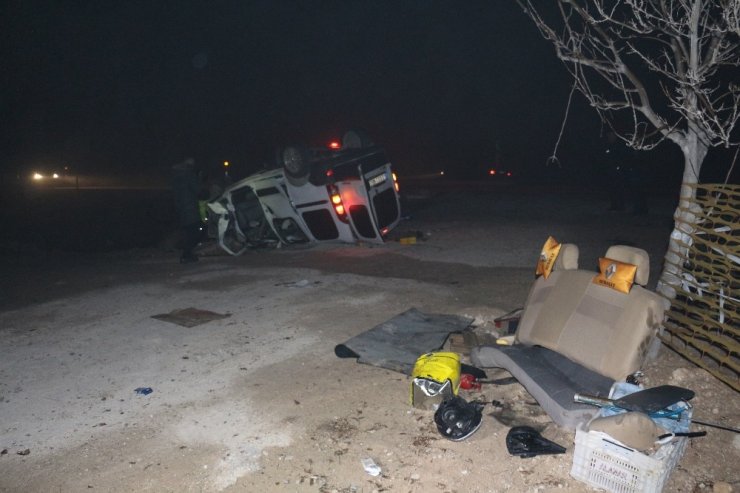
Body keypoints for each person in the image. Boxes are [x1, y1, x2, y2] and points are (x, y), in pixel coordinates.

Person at [171, 157, 202, 263]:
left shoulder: (177, 176)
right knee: (194, 231)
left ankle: (187, 254)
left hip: (181, 208)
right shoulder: (189, 175)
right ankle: (187, 254)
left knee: (187, 232)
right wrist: (199, 179)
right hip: (190, 207)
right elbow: (198, 190)